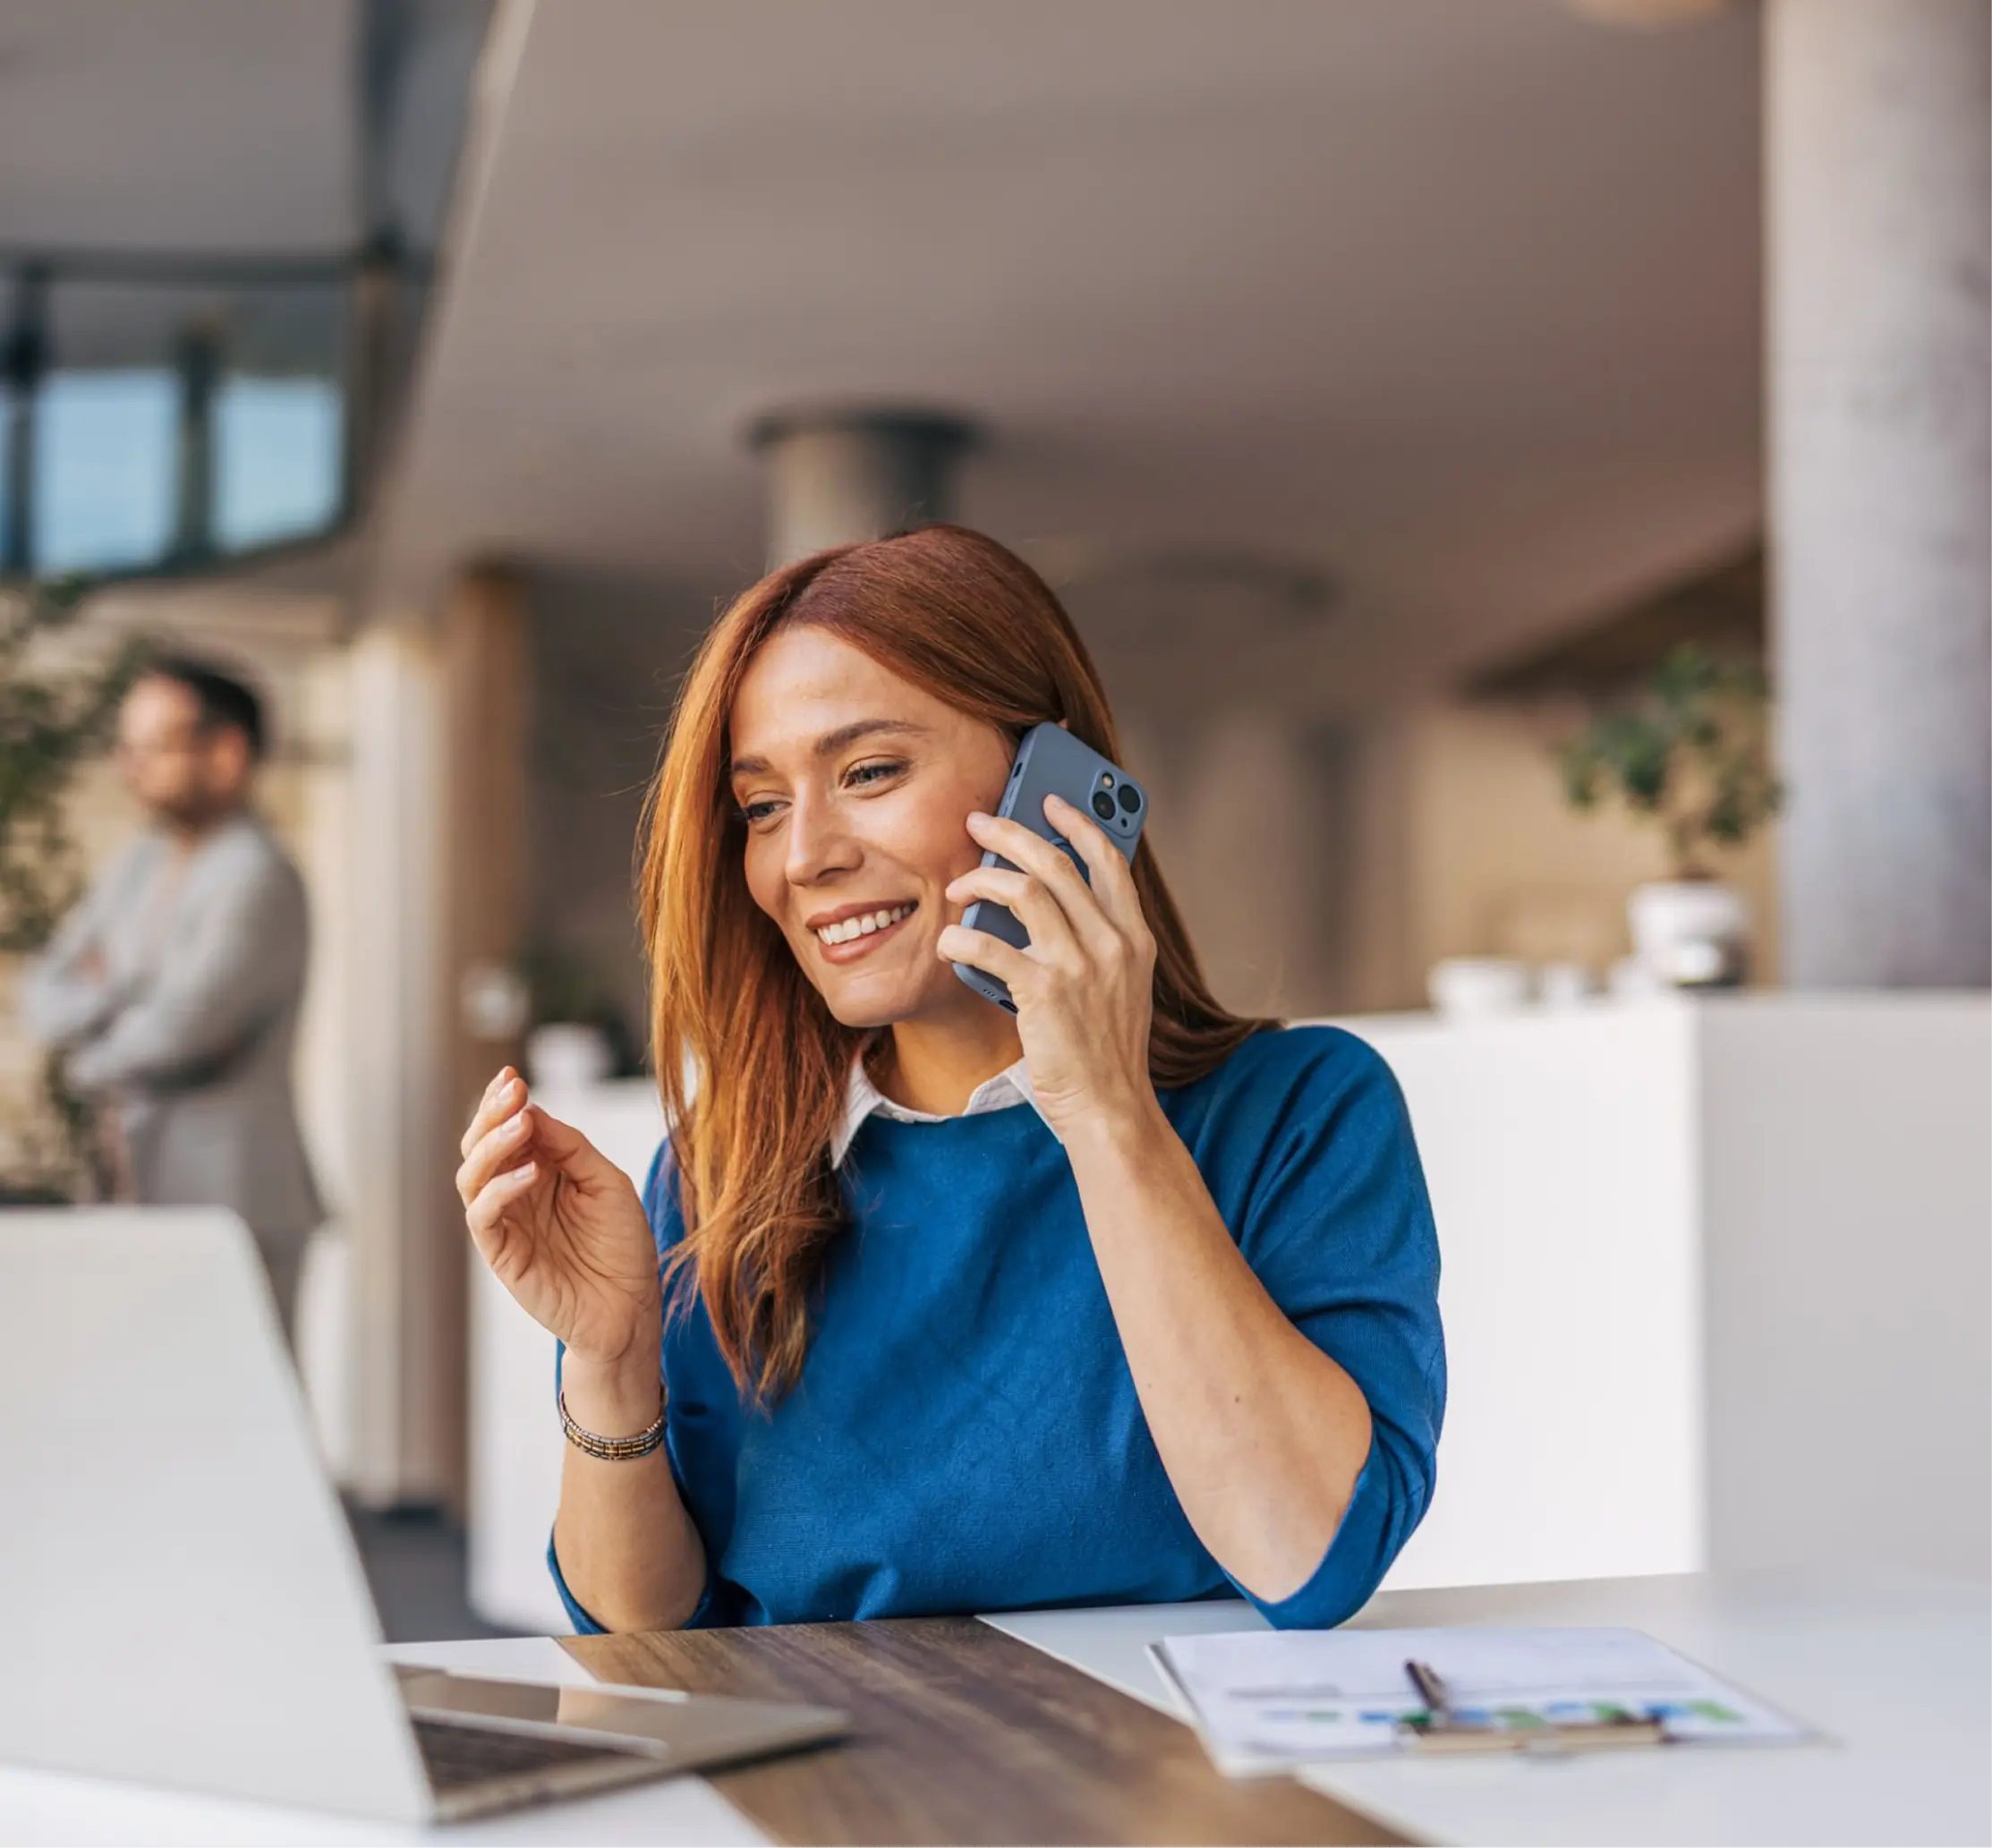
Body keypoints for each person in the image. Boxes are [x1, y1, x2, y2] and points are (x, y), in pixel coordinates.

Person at [458, 526, 1443, 1632]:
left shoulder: (1303, 1114)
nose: (803, 856)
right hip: (825, 1747)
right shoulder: (720, 1171)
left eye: (869, 772)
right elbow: (644, 1635)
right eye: (763, 805)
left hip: (1155, 1745)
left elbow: (1309, 1554)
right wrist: (609, 1363)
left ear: (1052, 785)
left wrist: (1107, 1115)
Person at [22, 656, 322, 1343]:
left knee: (238, 1398)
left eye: (156, 746)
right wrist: (133, 994)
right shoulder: (140, 862)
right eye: (128, 746)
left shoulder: (259, 876)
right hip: (140, 1191)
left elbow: (179, 1029)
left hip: (235, 1198)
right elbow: (44, 991)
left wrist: (94, 1028)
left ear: (226, 753)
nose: (132, 767)